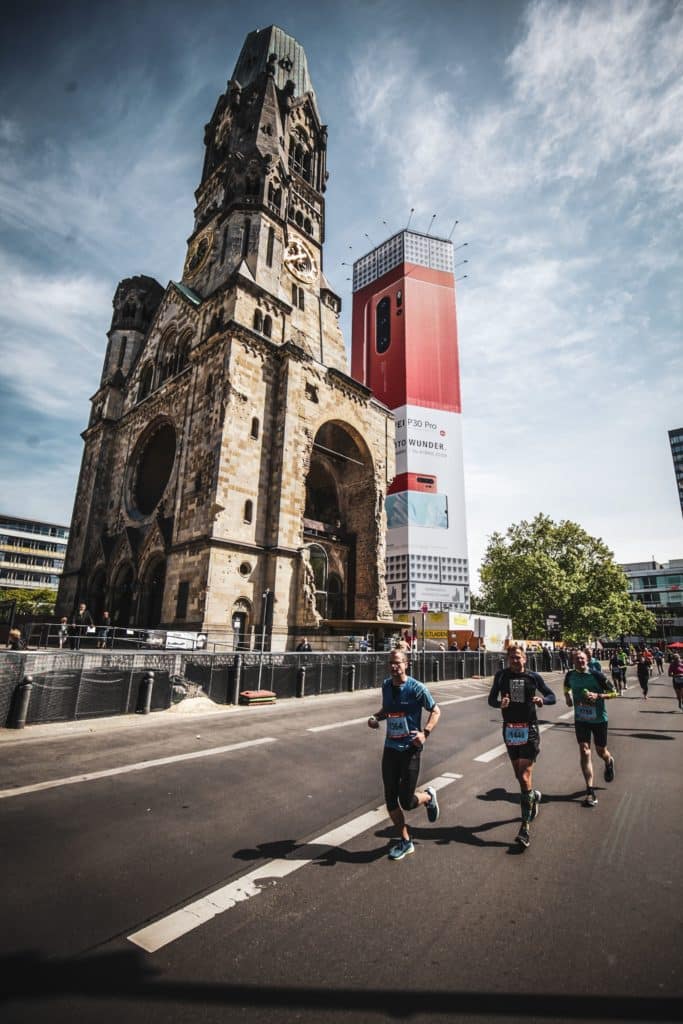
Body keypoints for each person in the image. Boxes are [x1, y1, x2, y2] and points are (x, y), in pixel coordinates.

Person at [367, 649, 441, 861]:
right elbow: (387, 710)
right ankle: (405, 841)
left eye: (398, 663)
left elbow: (436, 711)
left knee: (406, 801)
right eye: (391, 663)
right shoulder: (386, 686)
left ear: (406, 664)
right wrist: (375, 718)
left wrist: (425, 733)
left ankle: (428, 797)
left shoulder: (417, 688)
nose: (393, 667)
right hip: (390, 748)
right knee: (390, 798)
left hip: (410, 750)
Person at [488, 644, 556, 848]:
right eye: (511, 658)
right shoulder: (501, 676)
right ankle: (533, 796)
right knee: (519, 776)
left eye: (518, 657)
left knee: (525, 776)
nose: (515, 661)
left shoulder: (533, 677)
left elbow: (552, 696)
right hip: (510, 730)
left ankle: (524, 828)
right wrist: (501, 703)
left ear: (524, 658)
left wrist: (541, 700)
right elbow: (491, 700)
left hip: (530, 730)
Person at [564, 649, 617, 807]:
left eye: (582, 658)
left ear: (587, 659)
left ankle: (609, 761)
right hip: (581, 719)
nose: (580, 661)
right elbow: (566, 687)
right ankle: (590, 790)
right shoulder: (570, 675)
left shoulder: (597, 675)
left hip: (599, 719)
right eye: (576, 659)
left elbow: (614, 693)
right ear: (573, 661)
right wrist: (567, 696)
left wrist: (598, 696)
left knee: (601, 751)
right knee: (585, 751)